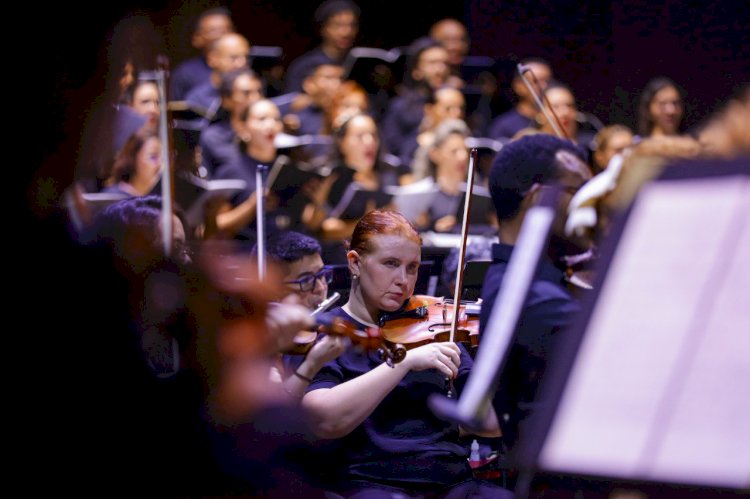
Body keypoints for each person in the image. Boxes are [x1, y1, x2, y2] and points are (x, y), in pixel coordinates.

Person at [301, 209, 512, 498]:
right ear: (355, 263)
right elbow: (322, 419)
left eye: (412, 267)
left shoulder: (435, 327)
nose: (403, 280)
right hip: (373, 483)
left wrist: (508, 352)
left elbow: (489, 424)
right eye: (390, 264)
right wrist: (403, 362)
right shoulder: (331, 332)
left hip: (453, 483)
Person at [479, 134, 592, 488]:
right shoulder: (535, 300)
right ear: (537, 197)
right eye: (580, 193)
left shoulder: (523, 282)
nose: (591, 209)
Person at [283, 0, 360, 94]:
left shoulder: (359, 65)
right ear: (324, 28)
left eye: (352, 25)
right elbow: (290, 104)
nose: (346, 32)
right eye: (338, 25)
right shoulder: (304, 66)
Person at [169, 7, 235, 102]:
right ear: (197, 38)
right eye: (214, 31)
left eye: (226, 30)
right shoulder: (185, 73)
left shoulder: (243, 67)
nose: (221, 36)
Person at [488, 57, 553, 141]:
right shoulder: (504, 125)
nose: (544, 87)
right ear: (518, 86)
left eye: (547, 81)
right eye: (536, 81)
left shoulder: (559, 120)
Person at [102, 126, 162, 197]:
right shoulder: (113, 198)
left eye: (164, 158)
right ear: (133, 159)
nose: (160, 164)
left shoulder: (159, 200)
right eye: (153, 157)